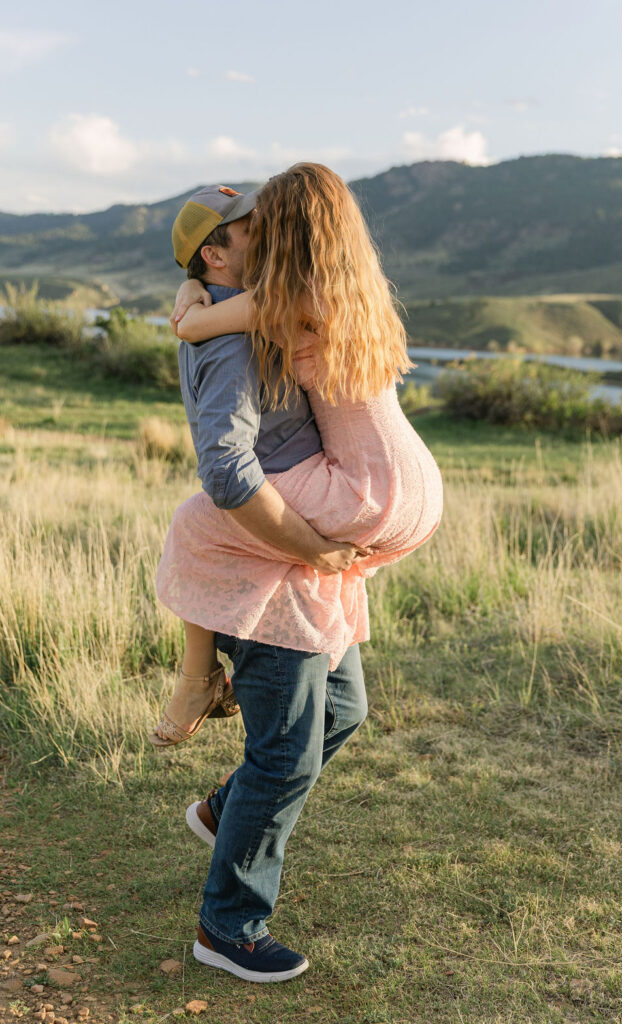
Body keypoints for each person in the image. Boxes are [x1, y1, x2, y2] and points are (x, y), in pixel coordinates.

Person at [154, 165, 443, 983]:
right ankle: (229, 926)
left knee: (341, 710)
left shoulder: (271, 307)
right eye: (252, 227)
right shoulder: (246, 330)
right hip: (285, 550)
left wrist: (188, 307)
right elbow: (225, 467)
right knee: (285, 752)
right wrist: (313, 545)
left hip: (317, 534)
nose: (269, 235)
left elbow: (206, 320)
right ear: (217, 252)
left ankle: (223, 808)